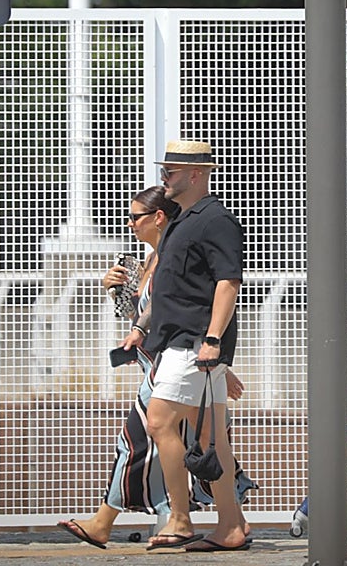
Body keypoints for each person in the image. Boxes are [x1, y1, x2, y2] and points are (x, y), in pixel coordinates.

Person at [57, 184, 256, 550]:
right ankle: (230, 519)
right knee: (205, 437)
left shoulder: (179, 249)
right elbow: (144, 312)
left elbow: (205, 298)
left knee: (140, 438)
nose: (130, 224)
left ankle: (129, 520)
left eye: (135, 217)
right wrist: (116, 292)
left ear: (157, 217)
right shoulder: (148, 259)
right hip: (163, 359)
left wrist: (216, 353)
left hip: (174, 359)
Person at [117, 139, 249, 553]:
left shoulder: (216, 220)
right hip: (177, 341)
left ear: (196, 174)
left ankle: (179, 517)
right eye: (164, 170)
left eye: (170, 171)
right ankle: (231, 524)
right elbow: (171, 287)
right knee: (212, 436)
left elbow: (228, 283)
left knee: (158, 421)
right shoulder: (180, 221)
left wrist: (212, 341)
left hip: (193, 343)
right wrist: (141, 327)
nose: (164, 178)